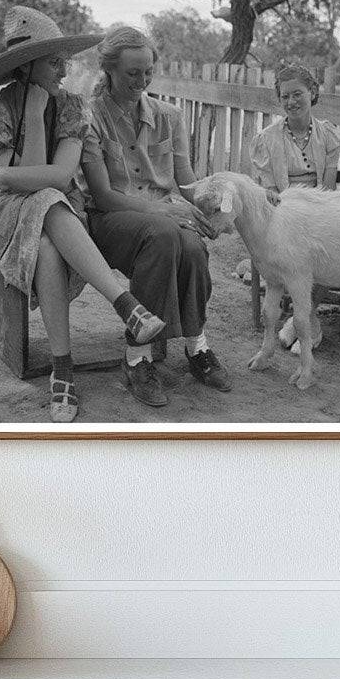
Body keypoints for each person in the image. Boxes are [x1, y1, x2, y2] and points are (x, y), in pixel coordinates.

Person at [0, 6, 166, 424]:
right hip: (7, 222)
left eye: (63, 61)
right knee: (45, 201)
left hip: (61, 217)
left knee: (50, 229)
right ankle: (127, 306)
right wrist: (32, 116)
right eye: (54, 63)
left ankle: (63, 371)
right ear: (25, 66)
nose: (64, 71)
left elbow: (58, 175)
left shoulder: (72, 108)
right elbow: (36, 180)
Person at [81, 26, 231, 408]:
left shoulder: (170, 116)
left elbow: (187, 184)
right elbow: (103, 195)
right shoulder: (90, 117)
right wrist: (165, 210)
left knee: (193, 245)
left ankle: (197, 346)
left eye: (148, 72)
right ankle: (138, 357)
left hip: (165, 220)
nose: (142, 81)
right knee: (165, 232)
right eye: (133, 73)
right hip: (112, 220)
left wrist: (216, 202)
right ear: (110, 70)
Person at [248, 61, 340, 352]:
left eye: (297, 94)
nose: (291, 102)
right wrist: (293, 213)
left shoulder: (327, 135)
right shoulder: (267, 139)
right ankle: (306, 321)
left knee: (328, 242)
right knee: (294, 248)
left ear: (312, 92)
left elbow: (327, 188)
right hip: (282, 213)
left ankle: (304, 317)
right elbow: (269, 191)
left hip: (318, 208)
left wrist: (315, 215)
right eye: (285, 96)